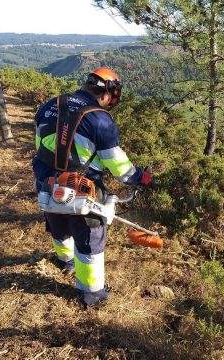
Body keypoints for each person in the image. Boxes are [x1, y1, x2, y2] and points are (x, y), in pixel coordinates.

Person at [32, 67, 151, 307]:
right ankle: (92, 293)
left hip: (46, 180)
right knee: (90, 240)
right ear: (109, 93)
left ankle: (65, 261)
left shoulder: (51, 104)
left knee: (57, 224)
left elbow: (40, 142)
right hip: (83, 188)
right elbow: (119, 167)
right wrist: (140, 177)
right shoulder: (100, 120)